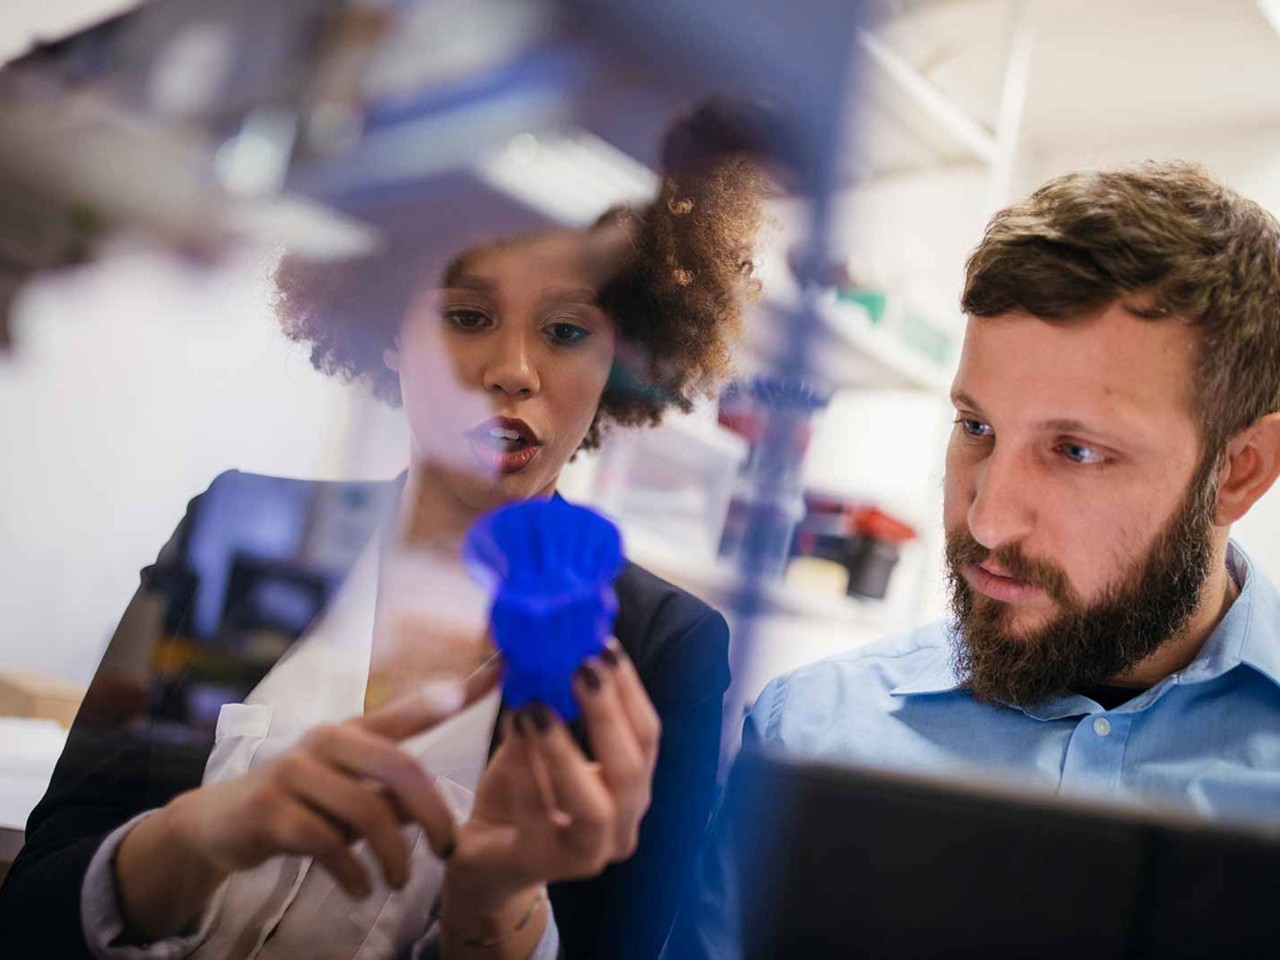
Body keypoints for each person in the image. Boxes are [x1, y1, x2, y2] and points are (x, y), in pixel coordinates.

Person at [0, 104, 770, 960]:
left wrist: (498, 913)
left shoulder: (661, 650)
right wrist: (197, 835)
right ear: (387, 330)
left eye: (565, 331)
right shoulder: (250, 532)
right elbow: (33, 908)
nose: (512, 371)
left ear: (619, 360)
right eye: (466, 316)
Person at [663, 161, 1280, 959]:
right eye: (977, 428)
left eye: (1076, 451)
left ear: (1238, 472)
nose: (987, 521)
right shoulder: (810, 731)